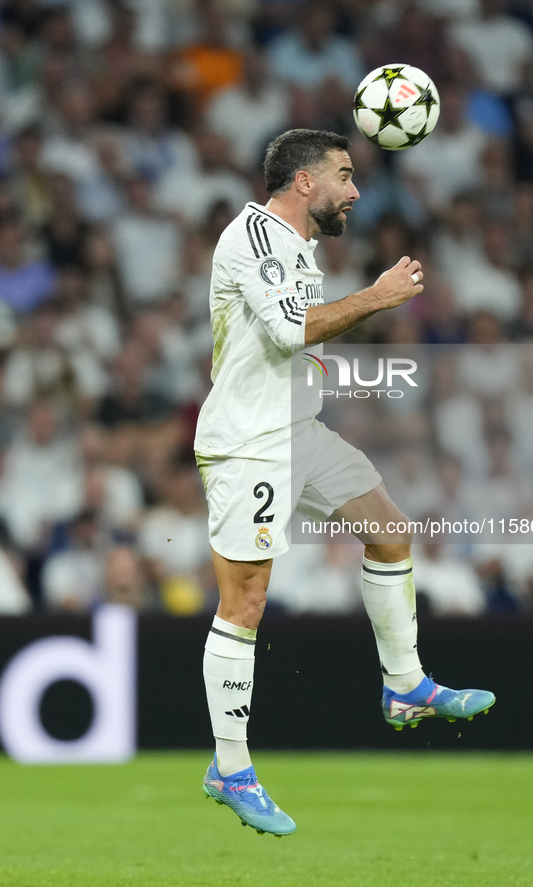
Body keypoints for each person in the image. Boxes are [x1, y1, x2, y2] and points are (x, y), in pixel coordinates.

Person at [195, 129, 495, 838]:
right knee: (246, 599)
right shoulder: (256, 238)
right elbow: (290, 331)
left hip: (299, 428)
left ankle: (404, 685)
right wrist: (378, 295)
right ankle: (229, 766)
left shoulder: (300, 247)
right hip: (249, 442)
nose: (355, 191)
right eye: (343, 175)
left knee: (391, 531)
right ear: (303, 183)